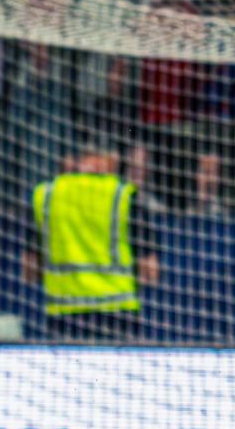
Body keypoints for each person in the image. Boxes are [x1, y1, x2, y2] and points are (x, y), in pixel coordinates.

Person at [24, 145, 160, 342]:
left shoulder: (44, 194)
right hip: (118, 312)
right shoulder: (124, 195)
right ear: (106, 158)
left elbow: (29, 269)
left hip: (62, 311)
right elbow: (150, 272)